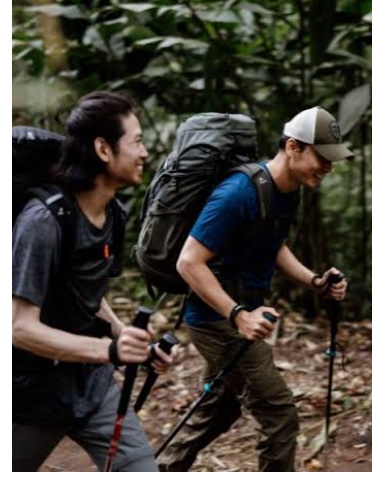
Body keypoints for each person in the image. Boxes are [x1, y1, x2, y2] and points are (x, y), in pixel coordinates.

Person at [157, 106, 352, 472]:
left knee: (220, 409)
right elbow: (189, 262)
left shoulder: (287, 189)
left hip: (239, 315)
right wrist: (238, 315)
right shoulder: (238, 193)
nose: (328, 167)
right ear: (293, 147)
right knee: (279, 412)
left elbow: (272, 243)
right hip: (217, 318)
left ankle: (160, 470)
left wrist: (314, 281)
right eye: (322, 158)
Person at [13, 92, 173, 471]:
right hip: (32, 396)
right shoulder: (43, 223)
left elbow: (89, 296)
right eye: (136, 141)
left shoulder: (114, 215)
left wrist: (126, 341)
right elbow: (18, 327)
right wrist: (108, 351)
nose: (145, 152)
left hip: (91, 387)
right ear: (103, 148)